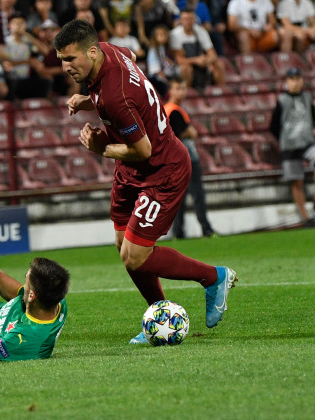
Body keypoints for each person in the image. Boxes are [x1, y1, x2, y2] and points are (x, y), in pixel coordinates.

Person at [54, 19, 237, 343]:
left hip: (161, 169)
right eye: (62, 60)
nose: (66, 67)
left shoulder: (115, 96)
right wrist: (89, 100)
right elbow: (133, 61)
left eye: (71, 59)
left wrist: (101, 148)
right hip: (131, 171)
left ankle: (214, 277)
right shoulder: (112, 53)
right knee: (124, 246)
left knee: (135, 255)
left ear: (92, 52)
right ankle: (160, 315)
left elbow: (143, 149)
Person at [270, 67, 315, 225]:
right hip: (289, 146)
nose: (295, 82)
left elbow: (313, 117)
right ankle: (305, 218)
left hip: (306, 142)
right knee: (297, 182)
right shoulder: (282, 100)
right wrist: (285, 139)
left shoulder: (308, 98)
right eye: (292, 79)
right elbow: (274, 126)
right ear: (287, 82)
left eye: (298, 78)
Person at [164, 76, 215, 239]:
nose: (181, 92)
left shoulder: (167, 109)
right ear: (170, 91)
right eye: (177, 88)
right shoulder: (173, 110)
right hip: (187, 158)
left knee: (179, 198)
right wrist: (190, 131)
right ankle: (206, 229)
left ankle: (178, 232)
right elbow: (184, 132)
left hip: (174, 161)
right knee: (197, 194)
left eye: (183, 88)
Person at [169, 7, 224, 90]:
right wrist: (196, 60)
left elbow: (212, 54)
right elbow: (179, 60)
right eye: (185, 19)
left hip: (201, 64)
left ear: (195, 19)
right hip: (184, 66)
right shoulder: (175, 34)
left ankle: (221, 93)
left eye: (191, 19)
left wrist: (206, 61)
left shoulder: (201, 31)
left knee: (219, 64)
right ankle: (188, 97)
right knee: (186, 69)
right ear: (181, 20)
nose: (188, 22)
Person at [227, 0, 291, 54]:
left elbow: (273, 20)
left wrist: (269, 25)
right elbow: (231, 25)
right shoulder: (235, 2)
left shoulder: (265, 1)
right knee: (243, 35)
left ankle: (286, 63)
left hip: (263, 34)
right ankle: (248, 64)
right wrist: (249, 31)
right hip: (247, 37)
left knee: (285, 33)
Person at [145, 25, 177, 97]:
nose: (163, 37)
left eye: (164, 34)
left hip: (169, 75)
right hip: (157, 78)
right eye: (160, 35)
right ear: (155, 37)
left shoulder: (168, 49)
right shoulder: (153, 50)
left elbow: (173, 65)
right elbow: (156, 71)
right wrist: (168, 82)